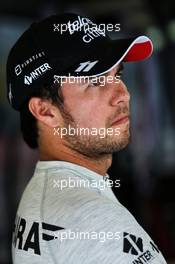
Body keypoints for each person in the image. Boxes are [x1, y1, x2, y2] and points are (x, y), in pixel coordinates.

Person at [6, 13, 167, 263]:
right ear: (45, 110)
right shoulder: (94, 221)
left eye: (118, 75)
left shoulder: (47, 193)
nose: (123, 95)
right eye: (95, 81)